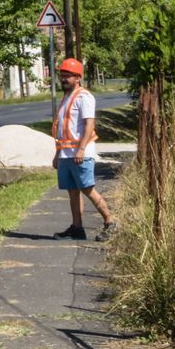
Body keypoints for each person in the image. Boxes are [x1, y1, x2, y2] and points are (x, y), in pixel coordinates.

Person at [52, 57, 117, 242]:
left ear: (78, 78)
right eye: (62, 75)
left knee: (87, 188)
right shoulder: (66, 98)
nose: (63, 79)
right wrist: (58, 154)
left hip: (81, 154)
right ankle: (77, 228)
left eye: (68, 76)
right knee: (72, 191)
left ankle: (110, 222)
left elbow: (89, 124)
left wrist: (81, 149)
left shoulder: (84, 97)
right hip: (66, 154)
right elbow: (63, 129)